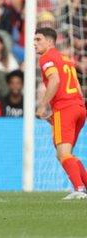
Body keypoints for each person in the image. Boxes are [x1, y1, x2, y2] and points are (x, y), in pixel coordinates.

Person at [34, 27, 87, 199]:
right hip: (79, 107)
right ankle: (83, 185)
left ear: (50, 41)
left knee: (63, 153)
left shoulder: (46, 58)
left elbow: (55, 80)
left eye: (38, 39)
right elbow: (77, 86)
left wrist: (42, 106)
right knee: (65, 153)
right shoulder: (65, 58)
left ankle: (79, 189)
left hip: (66, 109)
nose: (35, 44)